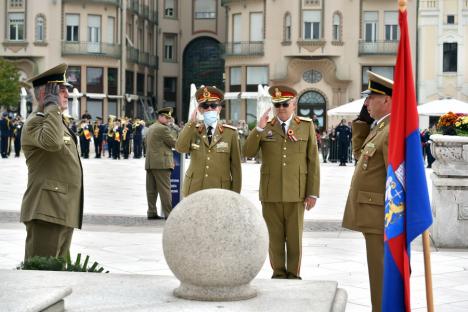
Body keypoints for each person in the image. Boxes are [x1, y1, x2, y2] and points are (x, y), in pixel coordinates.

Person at [243, 85, 320, 279]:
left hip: (297, 192)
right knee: (274, 238)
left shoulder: (306, 125)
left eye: (285, 104)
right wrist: (258, 128)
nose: (282, 108)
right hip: (271, 193)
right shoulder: (265, 126)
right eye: (277, 105)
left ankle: (293, 274)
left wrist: (312, 193)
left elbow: (313, 161)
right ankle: (278, 273)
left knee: (294, 238)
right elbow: (247, 152)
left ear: (294, 104)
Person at [20, 63, 84, 260]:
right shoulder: (35, 123)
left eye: (66, 90)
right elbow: (53, 143)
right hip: (46, 211)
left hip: (62, 210)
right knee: (42, 275)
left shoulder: (54, 122)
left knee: (57, 274)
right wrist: (51, 107)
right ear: (44, 96)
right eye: (60, 90)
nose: (66, 94)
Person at [342, 71, 393, 312]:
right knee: (377, 272)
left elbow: (397, 179)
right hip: (374, 214)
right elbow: (360, 157)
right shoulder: (379, 127)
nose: (366, 102)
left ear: (387, 100)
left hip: (381, 214)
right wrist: (361, 123)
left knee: (380, 273)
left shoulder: (390, 130)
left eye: (371, 97)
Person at [176, 86, 242, 196]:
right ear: (200, 110)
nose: (209, 109)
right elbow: (180, 148)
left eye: (213, 105)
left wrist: (235, 196)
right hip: (194, 189)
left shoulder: (230, 133)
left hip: (220, 191)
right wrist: (191, 123)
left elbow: (236, 168)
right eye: (205, 106)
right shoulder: (193, 130)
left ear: (219, 109)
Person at [145, 107, 177, 219]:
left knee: (151, 190)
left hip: (150, 163)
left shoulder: (152, 127)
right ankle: (169, 214)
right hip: (162, 164)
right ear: (160, 117)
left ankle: (152, 212)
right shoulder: (163, 129)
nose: (169, 120)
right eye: (167, 118)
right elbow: (174, 143)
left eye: (169, 118)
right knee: (165, 190)